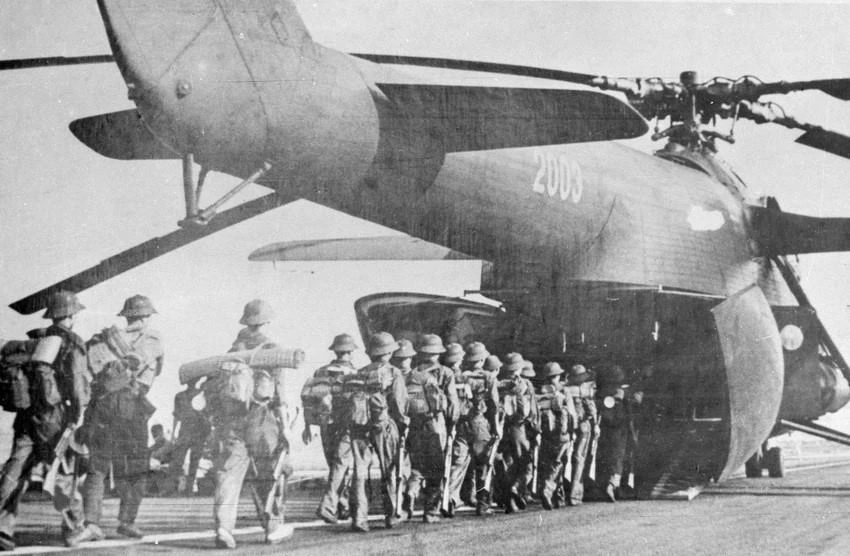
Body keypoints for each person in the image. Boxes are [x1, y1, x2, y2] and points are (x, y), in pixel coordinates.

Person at [0, 291, 90, 551]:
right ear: (71, 315)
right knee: (64, 473)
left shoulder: (38, 338)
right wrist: (78, 412)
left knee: (16, 470)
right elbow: (75, 379)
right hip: (56, 417)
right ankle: (74, 529)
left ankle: (3, 529)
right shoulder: (72, 341)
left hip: (28, 414)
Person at [71, 294, 164, 545]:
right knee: (135, 470)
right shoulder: (152, 339)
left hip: (100, 409)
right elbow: (147, 372)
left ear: (126, 315)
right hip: (130, 410)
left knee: (97, 469)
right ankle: (127, 521)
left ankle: (91, 524)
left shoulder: (100, 341)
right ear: (145, 317)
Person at [211, 299, 293, 548]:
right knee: (269, 473)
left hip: (232, 420)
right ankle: (272, 527)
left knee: (229, 474)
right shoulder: (273, 350)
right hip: (261, 418)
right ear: (266, 321)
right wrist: (286, 428)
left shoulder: (232, 351)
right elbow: (280, 395)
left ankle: (224, 529)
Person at [322, 332, 407, 532]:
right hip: (383, 425)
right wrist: (402, 425)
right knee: (389, 470)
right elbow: (399, 404)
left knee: (360, 471)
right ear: (388, 352)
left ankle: (359, 518)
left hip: (359, 426)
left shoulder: (358, 373)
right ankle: (392, 514)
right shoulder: (393, 372)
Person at [402, 334, 458, 523]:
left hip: (414, 426)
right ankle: (431, 512)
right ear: (438, 353)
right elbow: (452, 405)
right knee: (436, 468)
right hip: (436, 424)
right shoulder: (446, 373)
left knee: (418, 465)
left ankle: (411, 490)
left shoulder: (412, 374)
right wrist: (452, 424)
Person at [304, 333, 358, 522]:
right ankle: (328, 505)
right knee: (341, 464)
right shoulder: (354, 373)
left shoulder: (320, 372)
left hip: (326, 423)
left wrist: (308, 425)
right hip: (346, 424)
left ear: (335, 350)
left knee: (335, 465)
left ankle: (342, 506)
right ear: (350, 352)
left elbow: (309, 399)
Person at [446, 341, 499, 516]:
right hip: (480, 424)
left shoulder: (459, 376)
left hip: (461, 423)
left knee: (458, 463)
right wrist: (496, 428)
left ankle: (450, 500)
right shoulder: (488, 378)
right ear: (483, 359)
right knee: (483, 464)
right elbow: (494, 406)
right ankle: (483, 503)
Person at [495, 352, 538, 514]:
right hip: (520, 430)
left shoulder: (499, 385)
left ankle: (509, 500)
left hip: (503, 429)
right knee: (525, 463)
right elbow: (533, 411)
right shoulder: (526, 384)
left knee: (507, 465)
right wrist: (536, 430)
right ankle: (516, 488)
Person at [534, 362, 577, 510]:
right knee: (558, 463)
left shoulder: (540, 392)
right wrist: (573, 431)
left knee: (550, 462)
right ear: (558, 376)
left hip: (546, 433)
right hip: (562, 433)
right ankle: (547, 490)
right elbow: (571, 413)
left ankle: (558, 498)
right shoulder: (564, 391)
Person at [595, 364, 632, 502]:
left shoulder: (601, 392)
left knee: (606, 456)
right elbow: (629, 412)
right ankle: (612, 485)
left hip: (606, 427)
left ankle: (607, 485)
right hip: (620, 428)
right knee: (618, 457)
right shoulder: (623, 393)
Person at [563, 363, 597, 506]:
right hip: (583, 425)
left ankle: (560, 492)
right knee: (580, 458)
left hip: (568, 426)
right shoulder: (585, 390)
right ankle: (575, 494)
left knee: (565, 457)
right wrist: (595, 425)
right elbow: (591, 411)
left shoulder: (566, 389)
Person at [170, 379, 210, 495]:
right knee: (179, 460)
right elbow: (176, 415)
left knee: (193, 461)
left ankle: (189, 489)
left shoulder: (202, 394)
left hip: (198, 431)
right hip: (187, 431)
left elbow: (208, 413)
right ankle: (176, 488)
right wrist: (173, 433)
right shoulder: (180, 396)